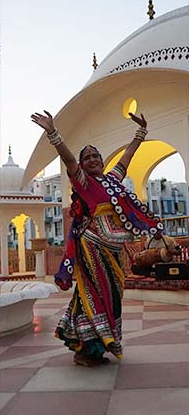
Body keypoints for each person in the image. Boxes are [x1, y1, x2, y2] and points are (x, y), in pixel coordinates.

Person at [31, 110, 163, 367]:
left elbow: (127, 157)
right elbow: (69, 160)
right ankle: (87, 349)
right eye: (87, 157)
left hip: (112, 250)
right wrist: (53, 133)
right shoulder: (85, 183)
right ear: (82, 165)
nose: (92, 159)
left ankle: (95, 346)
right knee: (95, 293)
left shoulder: (112, 181)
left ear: (102, 161)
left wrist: (141, 133)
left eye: (96, 156)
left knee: (112, 295)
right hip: (92, 247)